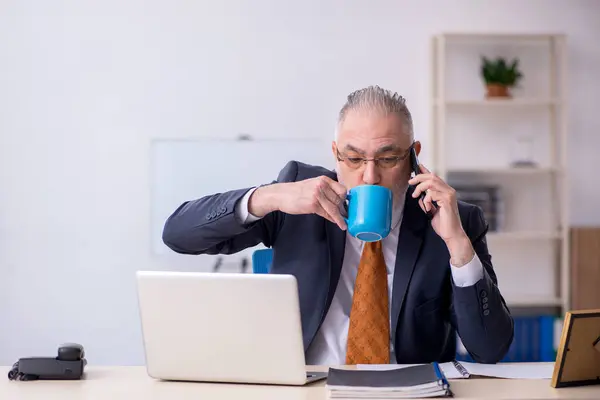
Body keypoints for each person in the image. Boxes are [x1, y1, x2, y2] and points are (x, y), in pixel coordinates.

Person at [162, 85, 514, 365]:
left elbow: (490, 349)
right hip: (308, 387)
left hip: (408, 392)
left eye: (389, 158)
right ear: (335, 155)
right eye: (354, 158)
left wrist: (458, 245)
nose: (370, 176)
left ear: (413, 155)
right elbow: (178, 234)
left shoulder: (454, 219)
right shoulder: (299, 193)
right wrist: (267, 197)